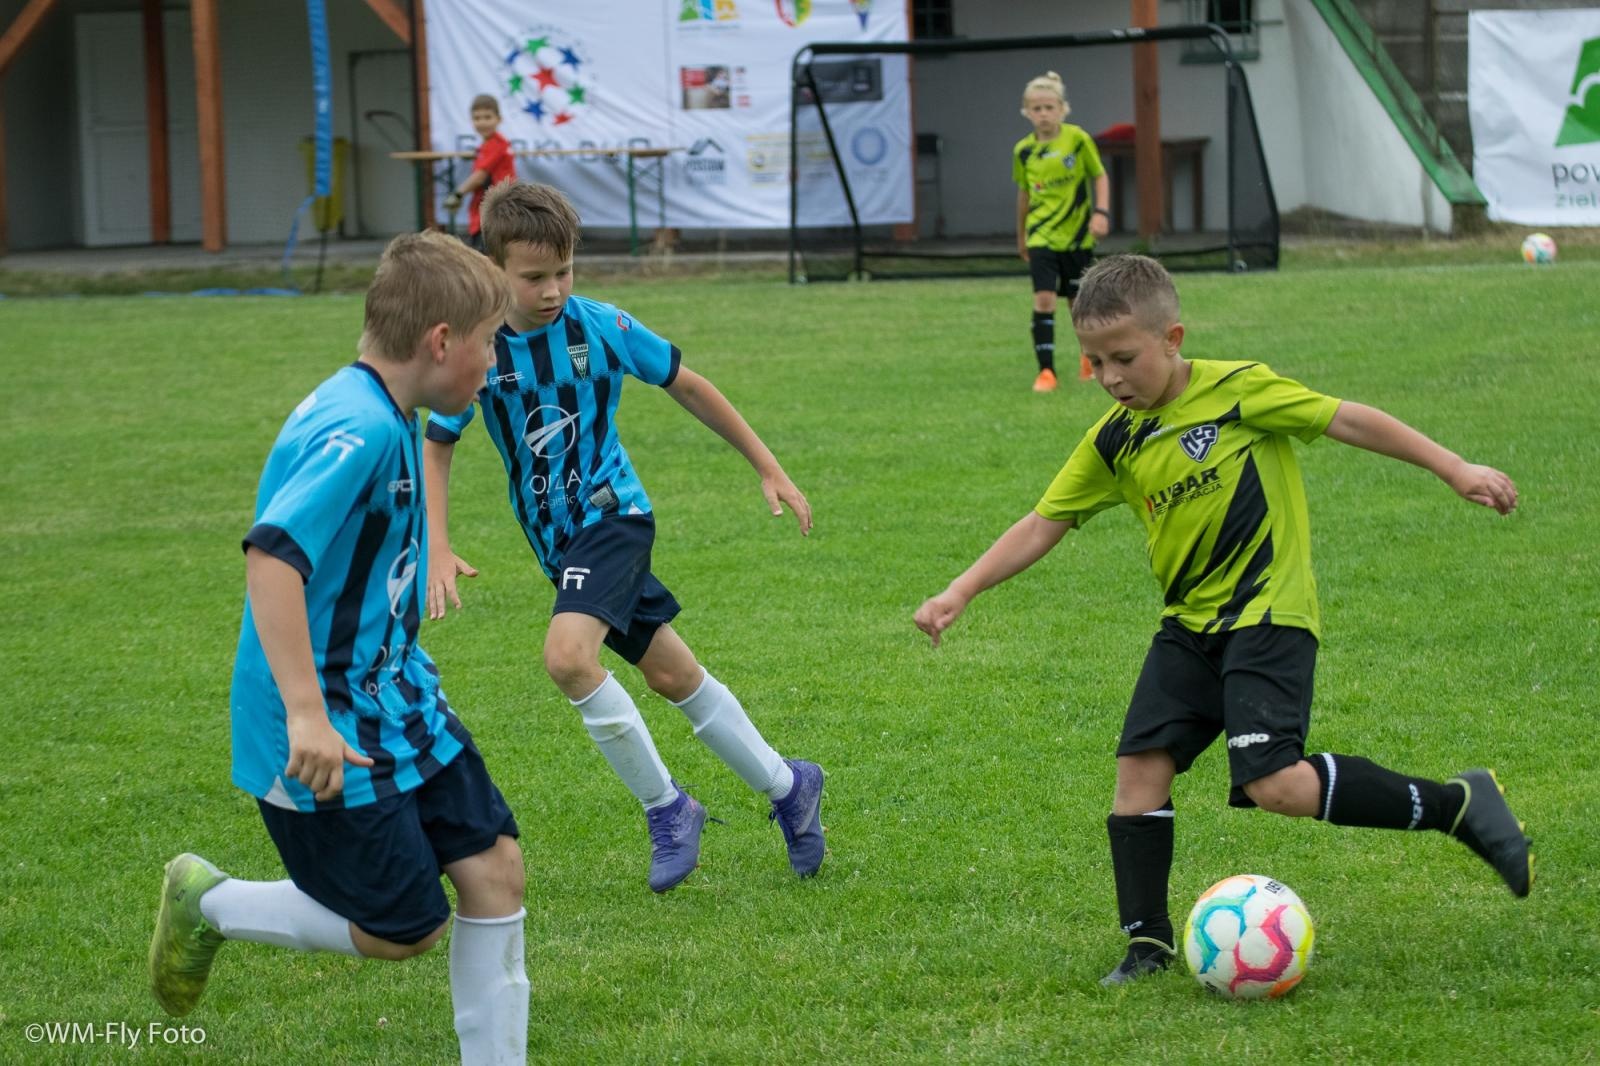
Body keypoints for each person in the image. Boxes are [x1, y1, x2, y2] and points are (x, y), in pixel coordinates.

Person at [913, 254, 1532, 987]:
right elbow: (1044, 522)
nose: (1110, 378)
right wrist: (962, 590)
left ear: (1172, 337)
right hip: (1188, 627)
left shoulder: (1239, 390)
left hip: (1268, 613)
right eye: (1095, 362)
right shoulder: (1116, 438)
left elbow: (1349, 419)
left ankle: (1457, 805)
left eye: (1124, 358)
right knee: (1139, 772)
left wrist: (1453, 467)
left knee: (1277, 787)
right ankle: (1146, 946)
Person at [149, 232, 529, 1064]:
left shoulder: (386, 411)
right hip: (328, 724)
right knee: (405, 929)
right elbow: (273, 557)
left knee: (495, 869)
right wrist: (306, 716)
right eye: (489, 341)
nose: (495, 362)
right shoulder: (356, 431)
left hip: (396, 695)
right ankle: (209, 902)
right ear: (439, 342)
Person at [423, 180, 826, 894]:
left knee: (568, 659)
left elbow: (688, 384)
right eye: (534, 276)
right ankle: (788, 784)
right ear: (495, 273)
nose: (552, 290)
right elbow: (438, 441)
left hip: (612, 520)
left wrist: (767, 466)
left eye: (564, 272)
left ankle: (669, 810)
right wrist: (437, 541)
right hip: (559, 547)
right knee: (672, 676)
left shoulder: (600, 327)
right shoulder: (482, 351)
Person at [1013, 71, 1110, 392]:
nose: (1043, 114)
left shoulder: (1078, 140)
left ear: (1062, 109)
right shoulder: (1023, 151)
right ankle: (1046, 372)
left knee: (1078, 302)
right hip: (1041, 236)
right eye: (1036, 108)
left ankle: (1088, 358)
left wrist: (1101, 212)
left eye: (1049, 107)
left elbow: (1099, 176)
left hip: (1077, 236)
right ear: (1027, 112)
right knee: (1043, 299)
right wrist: (1022, 236)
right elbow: (1024, 195)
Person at [443, 94, 516, 250]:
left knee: (487, 257)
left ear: (499, 119)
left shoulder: (496, 144)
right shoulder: (487, 145)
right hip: (490, 207)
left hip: (495, 209)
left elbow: (479, 176)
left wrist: (457, 194)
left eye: (487, 117)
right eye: (477, 118)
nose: (482, 122)